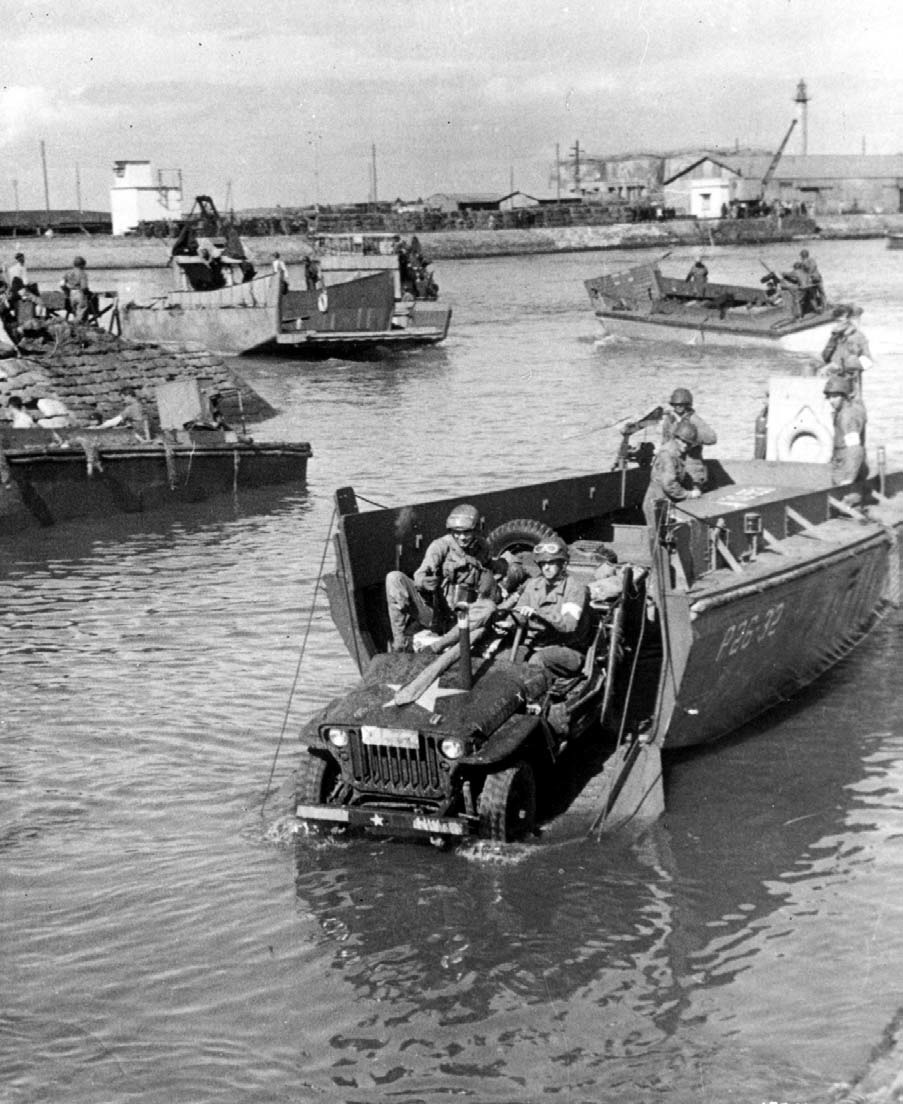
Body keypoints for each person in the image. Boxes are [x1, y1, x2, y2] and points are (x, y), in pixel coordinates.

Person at [384, 503, 495, 652]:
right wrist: (424, 582)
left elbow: (490, 569)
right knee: (394, 578)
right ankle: (400, 643)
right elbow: (420, 574)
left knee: (489, 607)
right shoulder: (440, 546)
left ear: (475, 530)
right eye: (457, 532)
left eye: (467, 532)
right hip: (436, 611)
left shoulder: (482, 547)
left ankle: (439, 645)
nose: (462, 537)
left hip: (463, 612)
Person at [512, 536, 591, 678]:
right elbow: (519, 612)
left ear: (563, 564)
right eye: (542, 563)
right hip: (536, 643)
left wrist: (537, 613)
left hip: (569, 649)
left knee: (538, 660)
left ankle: (536, 699)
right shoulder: (533, 585)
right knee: (507, 659)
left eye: (551, 562)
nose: (546, 567)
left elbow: (569, 625)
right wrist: (509, 620)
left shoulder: (575, 588)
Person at [643, 421, 702, 530]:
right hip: (657, 503)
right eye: (683, 441)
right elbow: (669, 483)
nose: (685, 446)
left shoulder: (677, 451)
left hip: (665, 501)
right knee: (657, 539)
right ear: (676, 438)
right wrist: (688, 494)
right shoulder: (668, 454)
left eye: (689, 443)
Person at [660, 387, 717, 490]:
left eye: (682, 405)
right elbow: (665, 439)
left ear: (687, 405)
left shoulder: (694, 419)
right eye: (676, 405)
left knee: (694, 494)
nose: (678, 407)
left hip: (692, 465)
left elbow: (712, 437)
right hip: (674, 464)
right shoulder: (670, 419)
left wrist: (691, 437)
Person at [824, 374, 867, 497]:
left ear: (844, 397)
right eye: (829, 397)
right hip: (842, 464)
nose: (831, 401)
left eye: (835, 396)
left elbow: (855, 449)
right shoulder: (847, 410)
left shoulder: (848, 417)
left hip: (846, 468)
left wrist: (849, 478)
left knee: (848, 503)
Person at [822, 305, 872, 399]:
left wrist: (844, 366)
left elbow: (868, 361)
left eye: (841, 321)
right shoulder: (835, 337)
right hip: (835, 384)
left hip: (852, 384)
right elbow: (826, 357)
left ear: (849, 320)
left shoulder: (858, 336)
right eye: (836, 321)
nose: (838, 324)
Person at [60, 256, 91, 322]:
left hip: (71, 294)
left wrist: (67, 292)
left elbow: (62, 284)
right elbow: (84, 287)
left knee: (75, 313)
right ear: (82, 265)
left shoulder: (67, 273)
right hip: (80, 293)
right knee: (81, 313)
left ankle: (75, 326)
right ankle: (78, 326)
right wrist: (89, 293)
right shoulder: (82, 273)